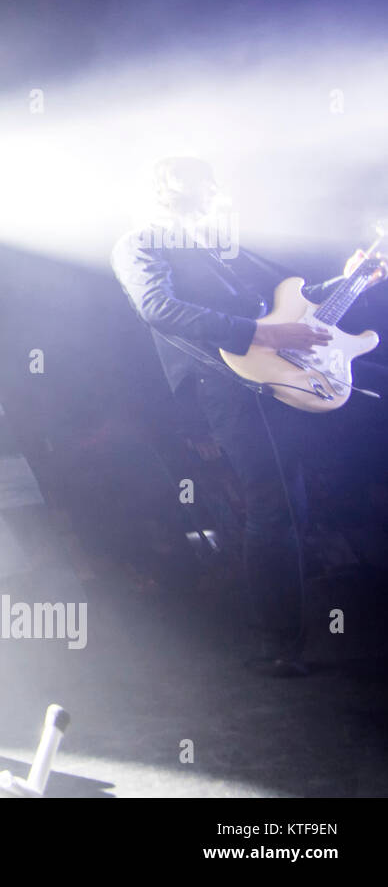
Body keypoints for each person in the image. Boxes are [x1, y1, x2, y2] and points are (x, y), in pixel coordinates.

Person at [111, 156, 382, 677]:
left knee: (290, 506)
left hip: (272, 378)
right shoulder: (141, 242)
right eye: (206, 187)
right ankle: (274, 645)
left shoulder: (219, 248)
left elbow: (283, 309)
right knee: (272, 507)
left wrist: (351, 282)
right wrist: (264, 335)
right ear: (174, 191)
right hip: (225, 382)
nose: (217, 194)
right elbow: (157, 308)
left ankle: (286, 638)